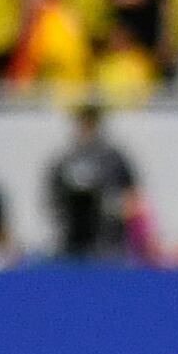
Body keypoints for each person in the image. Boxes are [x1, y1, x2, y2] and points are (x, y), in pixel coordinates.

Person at [47, 105, 139, 263]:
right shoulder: (65, 160)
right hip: (72, 238)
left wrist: (117, 209)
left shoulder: (114, 158)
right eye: (83, 125)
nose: (86, 130)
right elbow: (53, 196)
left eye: (90, 125)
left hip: (109, 237)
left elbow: (132, 193)